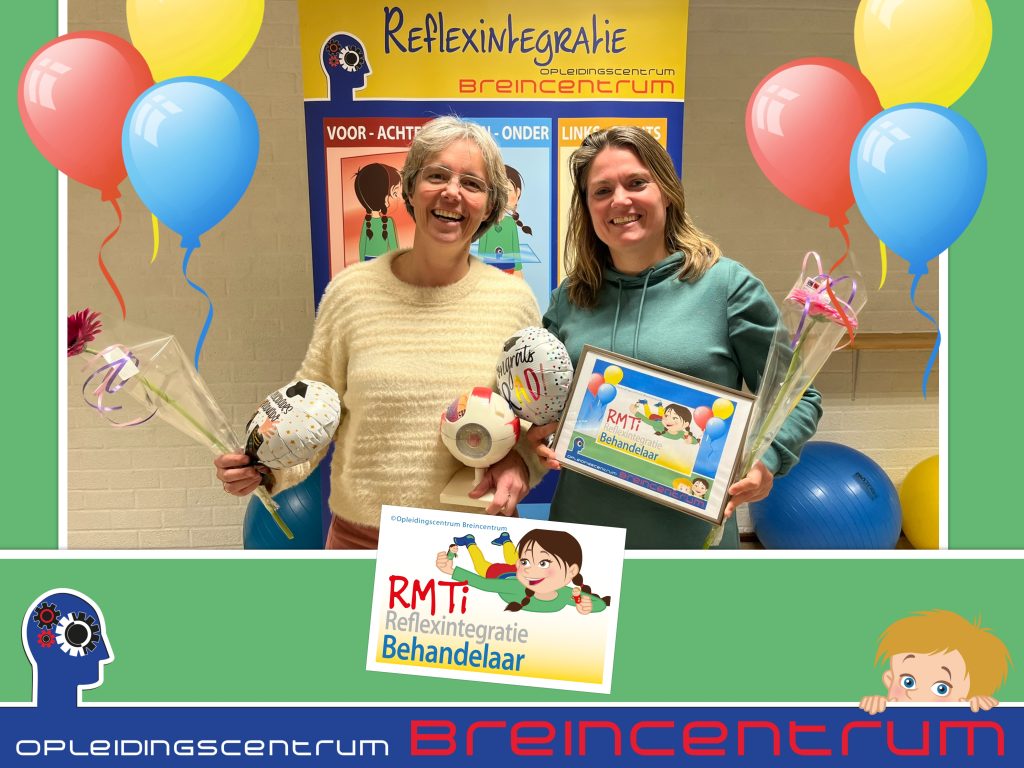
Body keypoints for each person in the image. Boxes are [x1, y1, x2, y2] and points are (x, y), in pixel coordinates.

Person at [216, 116, 544, 548]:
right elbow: (312, 415)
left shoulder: (514, 302)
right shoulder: (351, 293)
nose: (452, 192)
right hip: (362, 544)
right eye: (437, 175)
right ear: (410, 189)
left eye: (472, 183)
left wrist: (522, 464)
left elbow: (537, 423)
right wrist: (262, 469)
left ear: (489, 206)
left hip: (477, 544)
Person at [528, 126, 822, 549]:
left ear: (666, 192)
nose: (620, 200)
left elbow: (797, 397)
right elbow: (542, 407)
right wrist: (535, 434)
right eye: (602, 191)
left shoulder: (726, 288)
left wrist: (766, 460)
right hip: (581, 543)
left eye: (636, 183)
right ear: (588, 208)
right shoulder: (570, 298)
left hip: (691, 543)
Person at [859, 610, 1011, 715]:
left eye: (941, 689)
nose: (917, 695)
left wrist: (982, 710)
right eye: (908, 682)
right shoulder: (885, 714)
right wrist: (873, 707)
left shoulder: (971, 722)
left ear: (967, 698)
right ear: (889, 680)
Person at [435, 528, 610, 614]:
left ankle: (506, 540)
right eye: (525, 561)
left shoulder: (565, 594)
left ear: (572, 571)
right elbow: (484, 584)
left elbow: (600, 604)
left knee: (515, 559)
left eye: (544, 563)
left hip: (515, 572)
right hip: (501, 575)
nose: (531, 570)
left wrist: (587, 605)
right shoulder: (516, 587)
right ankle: (470, 542)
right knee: (482, 565)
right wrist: (451, 571)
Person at [353, 162, 402, 260]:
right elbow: (394, 247)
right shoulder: (388, 222)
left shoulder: (368, 221)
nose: (398, 198)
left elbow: (362, 246)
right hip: (381, 261)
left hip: (373, 261)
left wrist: (362, 264)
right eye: (394, 193)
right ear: (384, 198)